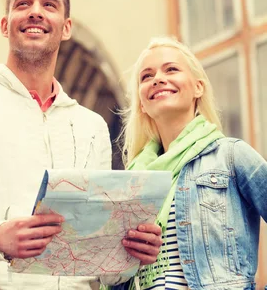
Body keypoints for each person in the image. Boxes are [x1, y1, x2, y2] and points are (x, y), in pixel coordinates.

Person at [0, 0, 163, 289]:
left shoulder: (91, 124)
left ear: (66, 28)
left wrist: (132, 252)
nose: (36, 11)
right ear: (4, 25)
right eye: (23, 3)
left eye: (49, 4)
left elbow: (102, 262)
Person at [110, 37, 267, 290]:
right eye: (146, 76)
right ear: (142, 102)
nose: (158, 79)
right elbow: (114, 275)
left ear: (198, 87)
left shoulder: (231, 156)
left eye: (171, 69)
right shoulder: (130, 181)